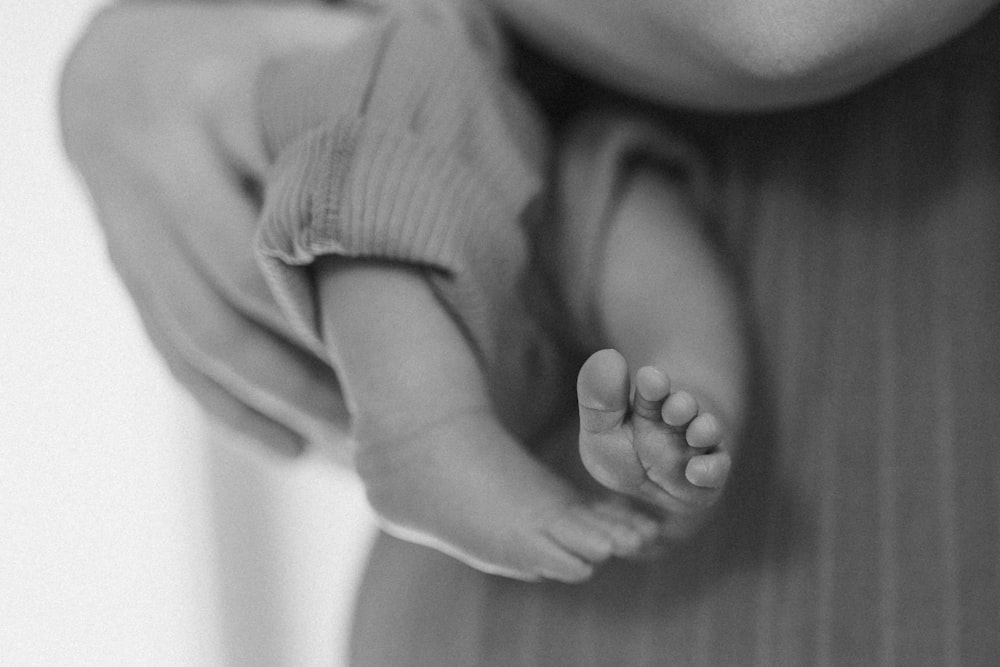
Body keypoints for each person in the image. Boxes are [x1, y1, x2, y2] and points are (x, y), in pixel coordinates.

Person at [60, 0, 1000, 662]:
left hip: (606, 153)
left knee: (618, 215)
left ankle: (669, 409)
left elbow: (785, 22)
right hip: (460, 78)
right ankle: (428, 424)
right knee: (404, 104)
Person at [248, 0, 745, 582]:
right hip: (369, 88)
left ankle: (684, 400)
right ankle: (418, 431)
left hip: (540, 140)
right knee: (401, 77)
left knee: (631, 197)